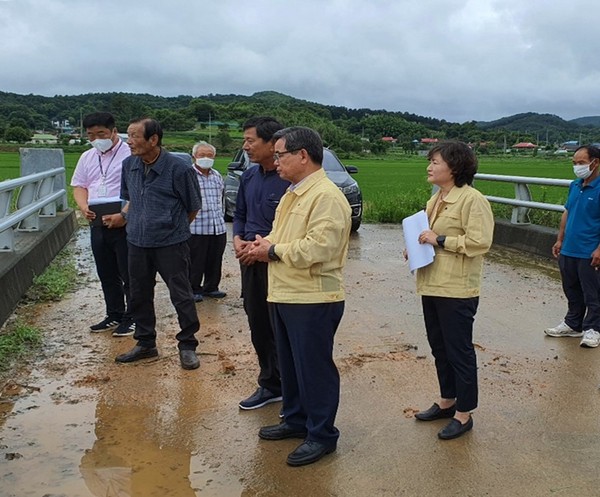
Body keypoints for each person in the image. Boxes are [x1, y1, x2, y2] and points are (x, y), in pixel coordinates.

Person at [248, 126, 351, 467]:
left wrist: (273, 250)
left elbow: (321, 247)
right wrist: (264, 243)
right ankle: (295, 419)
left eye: (280, 155)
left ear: (303, 156)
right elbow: (282, 235)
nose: (275, 162)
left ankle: (322, 435)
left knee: (314, 368)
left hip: (313, 297)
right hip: (286, 293)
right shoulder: (294, 192)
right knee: (290, 364)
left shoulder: (326, 196)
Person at [412, 141, 494, 440]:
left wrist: (440, 240)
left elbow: (479, 242)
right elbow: (428, 235)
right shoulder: (437, 199)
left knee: (459, 350)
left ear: (455, 167)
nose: (429, 166)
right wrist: (418, 246)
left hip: (457, 289)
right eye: (430, 161)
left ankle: (464, 412)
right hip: (432, 283)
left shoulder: (473, 200)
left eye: (435, 161)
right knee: (439, 346)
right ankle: (448, 400)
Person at [115, 118, 202, 370]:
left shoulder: (179, 169)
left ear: (153, 140)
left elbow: (192, 207)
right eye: (128, 136)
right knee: (138, 293)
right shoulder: (128, 165)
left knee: (181, 294)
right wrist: (128, 220)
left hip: (171, 244)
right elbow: (130, 199)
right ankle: (145, 343)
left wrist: (171, 226)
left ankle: (187, 345)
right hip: (137, 242)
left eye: (134, 136)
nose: (129, 141)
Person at [233, 116, 288, 410]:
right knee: (258, 323)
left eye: (251, 140)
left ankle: (291, 385)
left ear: (271, 143)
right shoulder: (249, 177)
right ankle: (270, 383)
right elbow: (239, 214)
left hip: (278, 262)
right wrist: (237, 239)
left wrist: (263, 248)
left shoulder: (289, 181)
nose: (246, 147)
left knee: (282, 326)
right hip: (250, 261)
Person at [71, 112, 135, 337]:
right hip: (97, 219)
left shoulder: (130, 153)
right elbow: (79, 185)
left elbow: (140, 189)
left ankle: (134, 316)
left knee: (130, 271)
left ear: (114, 132)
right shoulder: (87, 156)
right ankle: (115, 313)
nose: (96, 139)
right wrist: (82, 206)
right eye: (91, 135)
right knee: (106, 271)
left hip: (125, 218)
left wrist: (124, 214)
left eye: (101, 134)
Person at [545, 145, 600, 348]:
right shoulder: (574, 185)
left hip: (590, 250)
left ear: (595, 162)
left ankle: (593, 328)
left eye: (582, 163)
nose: (577, 167)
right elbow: (567, 213)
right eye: (575, 163)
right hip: (569, 248)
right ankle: (573, 324)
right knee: (572, 289)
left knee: (592, 291)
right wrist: (560, 239)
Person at [188, 141, 227, 302]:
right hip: (196, 227)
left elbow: (221, 199)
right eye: (201, 155)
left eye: (209, 156)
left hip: (217, 227)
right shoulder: (188, 175)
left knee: (215, 259)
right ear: (194, 157)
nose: (205, 158)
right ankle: (193, 288)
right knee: (195, 260)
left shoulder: (217, 175)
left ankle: (211, 287)